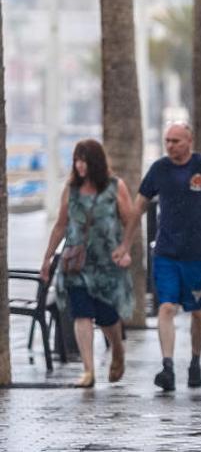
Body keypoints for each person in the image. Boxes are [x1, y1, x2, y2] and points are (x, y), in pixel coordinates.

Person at [125, 121, 201, 391]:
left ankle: (195, 362)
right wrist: (125, 243)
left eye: (176, 141)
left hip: (197, 254)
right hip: (166, 253)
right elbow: (138, 207)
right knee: (167, 307)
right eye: (167, 141)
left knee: (197, 310)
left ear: (189, 142)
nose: (170, 146)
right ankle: (168, 366)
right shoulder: (159, 169)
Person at [40, 139, 135, 388]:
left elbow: (130, 220)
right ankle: (88, 371)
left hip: (106, 263)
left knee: (106, 318)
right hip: (76, 262)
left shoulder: (115, 187)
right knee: (81, 313)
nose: (80, 166)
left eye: (84, 160)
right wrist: (48, 257)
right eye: (77, 160)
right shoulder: (71, 189)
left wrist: (125, 249)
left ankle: (117, 348)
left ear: (96, 162)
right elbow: (61, 224)